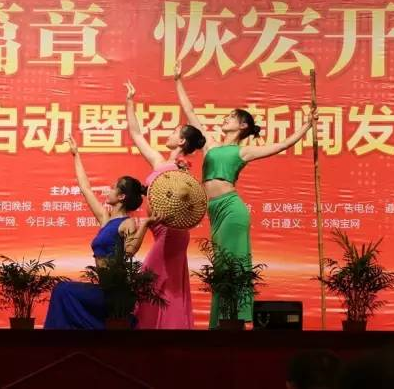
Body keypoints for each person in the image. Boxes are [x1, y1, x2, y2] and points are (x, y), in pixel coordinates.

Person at [174, 61, 319, 328]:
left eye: (231, 117)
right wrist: (178, 80)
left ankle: (236, 320)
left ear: (242, 126)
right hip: (214, 211)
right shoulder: (210, 145)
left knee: (233, 265)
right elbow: (190, 112)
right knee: (221, 267)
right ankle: (223, 321)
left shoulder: (243, 151)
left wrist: (307, 126)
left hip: (232, 210)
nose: (225, 119)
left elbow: (281, 145)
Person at [44, 135, 158, 329]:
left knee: (63, 291)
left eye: (113, 188)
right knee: (62, 291)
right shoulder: (106, 219)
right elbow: (86, 189)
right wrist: (76, 155)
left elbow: (130, 251)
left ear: (121, 197)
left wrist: (145, 224)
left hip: (116, 294)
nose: (109, 190)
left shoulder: (127, 223)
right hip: (104, 289)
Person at [124, 80, 206, 329]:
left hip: (171, 233)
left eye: (174, 132)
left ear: (181, 142)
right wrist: (130, 101)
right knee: (163, 283)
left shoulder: (176, 170)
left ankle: (158, 328)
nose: (169, 134)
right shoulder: (168, 165)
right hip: (164, 231)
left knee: (151, 281)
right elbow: (136, 134)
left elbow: (188, 205)